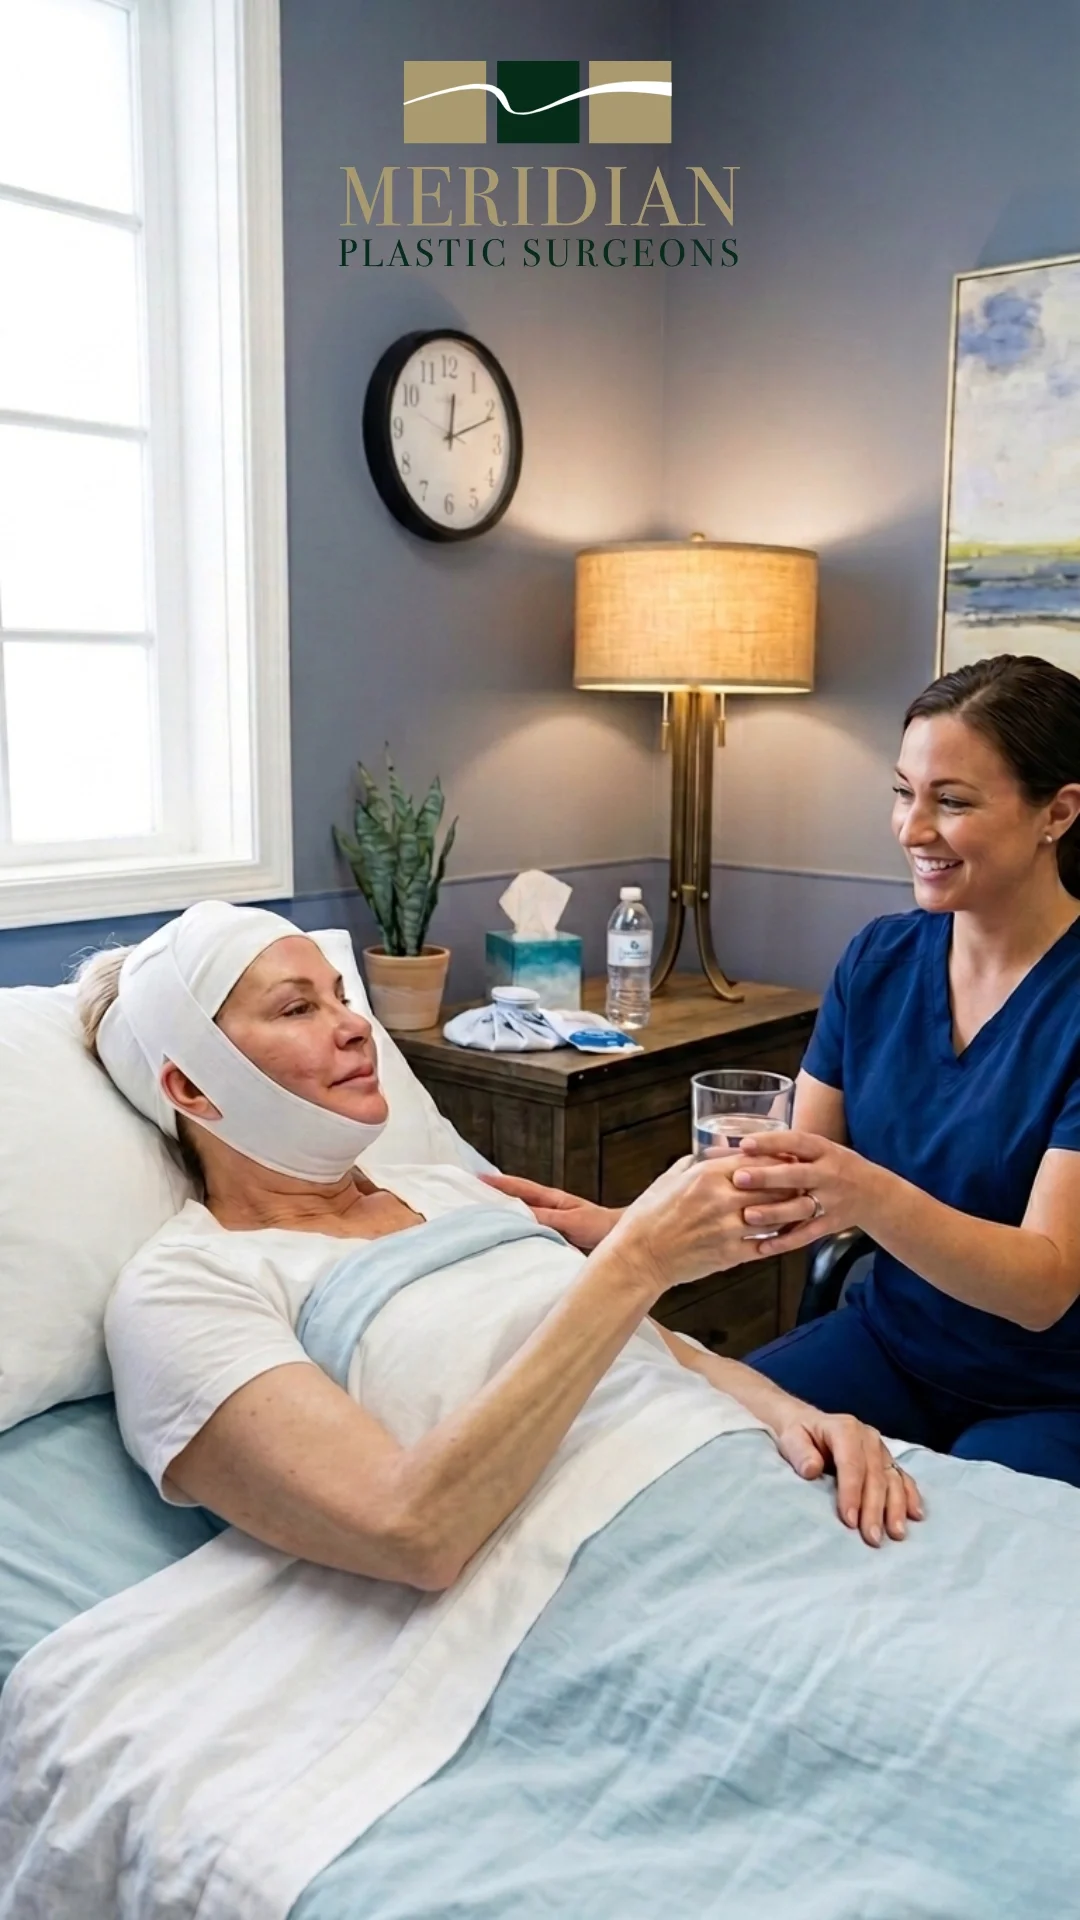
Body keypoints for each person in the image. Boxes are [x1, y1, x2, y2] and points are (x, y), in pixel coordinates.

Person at [77, 901, 919, 1592]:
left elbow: (654, 1353)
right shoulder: (186, 1287)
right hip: (608, 1564)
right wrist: (636, 1260)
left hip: (763, 1487)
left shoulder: (449, 1191)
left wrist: (796, 1414)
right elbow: (412, 1531)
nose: (354, 1027)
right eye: (300, 1008)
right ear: (190, 1085)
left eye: (343, 997)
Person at [499, 655, 1080, 1491]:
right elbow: (787, 1178)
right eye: (902, 791)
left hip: (1050, 1396)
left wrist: (865, 1192)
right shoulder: (877, 960)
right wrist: (618, 1224)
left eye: (951, 801)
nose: (913, 829)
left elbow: (1044, 1287)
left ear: (1056, 812)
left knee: (962, 1558)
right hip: (890, 1343)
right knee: (684, 1453)